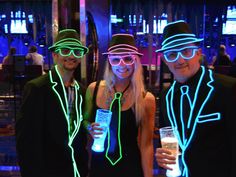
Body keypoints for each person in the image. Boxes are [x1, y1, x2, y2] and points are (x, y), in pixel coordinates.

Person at [155, 20, 236, 177]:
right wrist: (162, 155)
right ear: (165, 60)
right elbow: (170, 140)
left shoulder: (227, 88)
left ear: (198, 53)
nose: (179, 60)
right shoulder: (166, 96)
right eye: (172, 54)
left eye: (186, 51)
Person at [16, 29, 89, 177]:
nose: (71, 55)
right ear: (55, 55)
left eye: (76, 51)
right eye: (65, 50)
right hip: (47, 171)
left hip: (75, 170)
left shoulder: (81, 90)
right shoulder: (37, 88)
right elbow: (26, 140)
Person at [83, 34, 156, 177]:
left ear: (135, 61)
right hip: (100, 164)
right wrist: (90, 127)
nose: (122, 65)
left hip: (130, 167)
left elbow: (146, 145)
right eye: (116, 59)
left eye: (128, 59)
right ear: (109, 62)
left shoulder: (146, 99)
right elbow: (84, 120)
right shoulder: (94, 89)